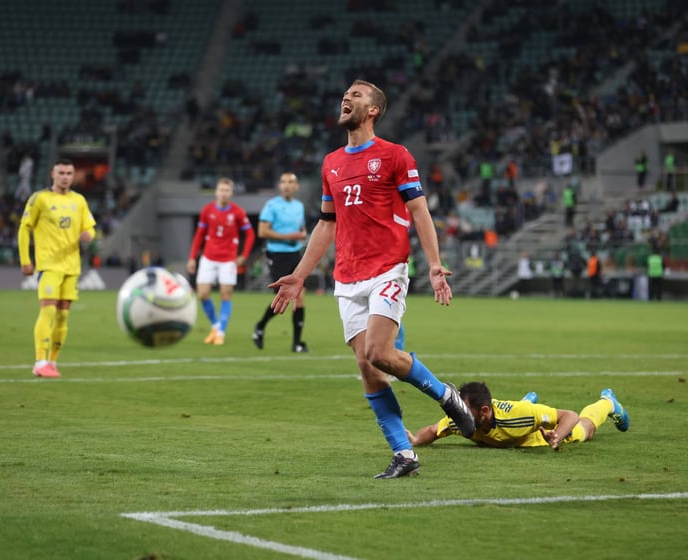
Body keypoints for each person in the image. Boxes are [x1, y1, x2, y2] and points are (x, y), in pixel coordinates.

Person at [269, 79, 476, 479]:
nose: (346, 98)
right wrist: (298, 276)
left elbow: (419, 210)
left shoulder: (395, 155)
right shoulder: (331, 163)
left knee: (379, 353)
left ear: (374, 110)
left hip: (387, 267)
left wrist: (434, 264)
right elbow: (326, 224)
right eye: (345, 94)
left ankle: (446, 395)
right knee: (368, 366)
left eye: (356, 95)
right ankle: (404, 454)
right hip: (347, 278)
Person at [18, 158, 96, 378]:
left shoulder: (79, 201)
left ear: (73, 176)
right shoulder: (40, 198)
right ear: (53, 174)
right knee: (48, 310)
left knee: (62, 316)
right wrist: (25, 260)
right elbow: (24, 228)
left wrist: (88, 235)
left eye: (69, 173)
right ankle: (40, 361)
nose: (65, 177)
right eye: (61, 173)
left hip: (72, 267)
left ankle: (52, 362)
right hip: (49, 265)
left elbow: (90, 228)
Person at [406, 381, 629, 450]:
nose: (460, 415)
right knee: (518, 418)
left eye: (466, 411)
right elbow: (433, 431)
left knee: (585, 430)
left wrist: (557, 436)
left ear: (484, 411)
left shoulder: (519, 417)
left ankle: (608, 403)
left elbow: (570, 416)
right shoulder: (462, 420)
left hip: (536, 435)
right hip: (516, 422)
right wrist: (415, 440)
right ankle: (526, 401)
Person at [186, 177, 255, 346]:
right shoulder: (207, 210)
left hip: (228, 259)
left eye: (227, 190)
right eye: (221, 190)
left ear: (231, 193)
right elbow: (199, 235)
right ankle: (216, 326)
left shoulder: (238, 212)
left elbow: (250, 234)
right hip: (208, 257)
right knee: (202, 294)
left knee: (226, 294)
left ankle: (221, 332)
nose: (224, 193)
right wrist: (192, 257)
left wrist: (244, 255)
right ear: (216, 192)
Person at [252, 172, 309, 352]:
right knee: (283, 296)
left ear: (296, 186)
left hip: (295, 254)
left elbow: (301, 228)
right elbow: (262, 231)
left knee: (300, 296)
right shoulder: (272, 205)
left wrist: (302, 234)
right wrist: (288, 237)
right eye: (283, 181)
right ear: (279, 185)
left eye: (290, 182)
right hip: (277, 255)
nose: (286, 185)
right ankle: (260, 326)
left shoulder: (299, 206)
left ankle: (297, 343)